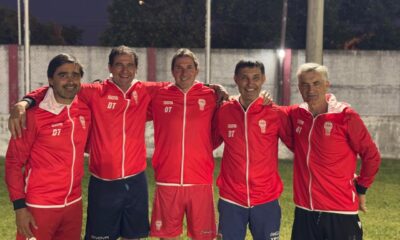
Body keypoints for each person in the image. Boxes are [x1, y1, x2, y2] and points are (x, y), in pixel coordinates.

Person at [9, 46, 162, 240]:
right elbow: (57, 87)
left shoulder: (143, 91)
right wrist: (25, 102)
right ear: (110, 67)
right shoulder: (94, 93)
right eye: (119, 65)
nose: (125, 70)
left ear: (136, 69)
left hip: (99, 193)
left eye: (130, 65)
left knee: (134, 236)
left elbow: (179, 88)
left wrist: (213, 88)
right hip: (69, 194)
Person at [289, 63, 381, 240]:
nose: (311, 89)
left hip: (340, 212)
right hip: (304, 212)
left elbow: (371, 156)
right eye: (305, 85)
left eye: (316, 83)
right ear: (299, 87)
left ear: (327, 84)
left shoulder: (345, 116)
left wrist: (361, 188)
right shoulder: (297, 114)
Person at [5, 53, 91, 240]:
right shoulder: (33, 116)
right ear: (51, 80)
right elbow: (13, 163)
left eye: (75, 75)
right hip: (39, 207)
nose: (70, 80)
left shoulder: (84, 108)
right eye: (63, 75)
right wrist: (20, 208)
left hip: (73, 205)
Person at [212, 60, 292, 240]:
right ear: (236, 79)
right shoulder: (223, 111)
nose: (250, 84)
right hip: (231, 199)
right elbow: (208, 142)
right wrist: (215, 87)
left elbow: (300, 146)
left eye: (256, 78)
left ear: (263, 79)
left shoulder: (275, 113)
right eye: (244, 78)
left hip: (266, 199)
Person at [149, 48, 217, 240]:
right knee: (167, 236)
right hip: (167, 180)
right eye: (179, 67)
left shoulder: (211, 96)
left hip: (200, 180)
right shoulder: (159, 96)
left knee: (203, 237)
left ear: (197, 70)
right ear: (172, 71)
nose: (184, 72)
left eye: (189, 67)